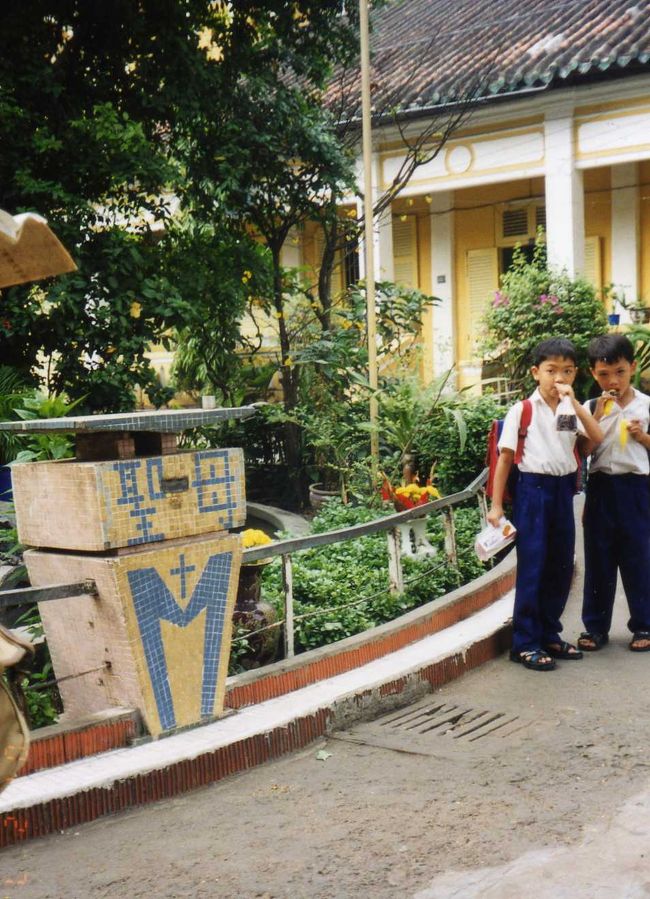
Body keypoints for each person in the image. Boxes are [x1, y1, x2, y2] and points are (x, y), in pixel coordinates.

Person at [487, 337, 603, 671]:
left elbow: (594, 438)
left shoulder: (570, 409)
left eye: (566, 371)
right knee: (534, 565)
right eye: (551, 371)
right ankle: (524, 643)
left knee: (561, 565)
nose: (558, 378)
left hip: (562, 492)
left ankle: (550, 633)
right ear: (537, 372)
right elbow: (506, 459)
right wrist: (497, 506)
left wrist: (575, 402)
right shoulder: (522, 410)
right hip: (532, 491)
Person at [577, 333, 650, 653]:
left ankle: (644, 625)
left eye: (620, 372)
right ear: (593, 373)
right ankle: (595, 627)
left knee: (640, 558)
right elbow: (583, 451)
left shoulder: (646, 405)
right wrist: (597, 417)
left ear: (632, 367)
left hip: (637, 489)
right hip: (602, 489)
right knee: (599, 560)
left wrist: (643, 437)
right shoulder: (591, 406)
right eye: (604, 374)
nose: (613, 380)